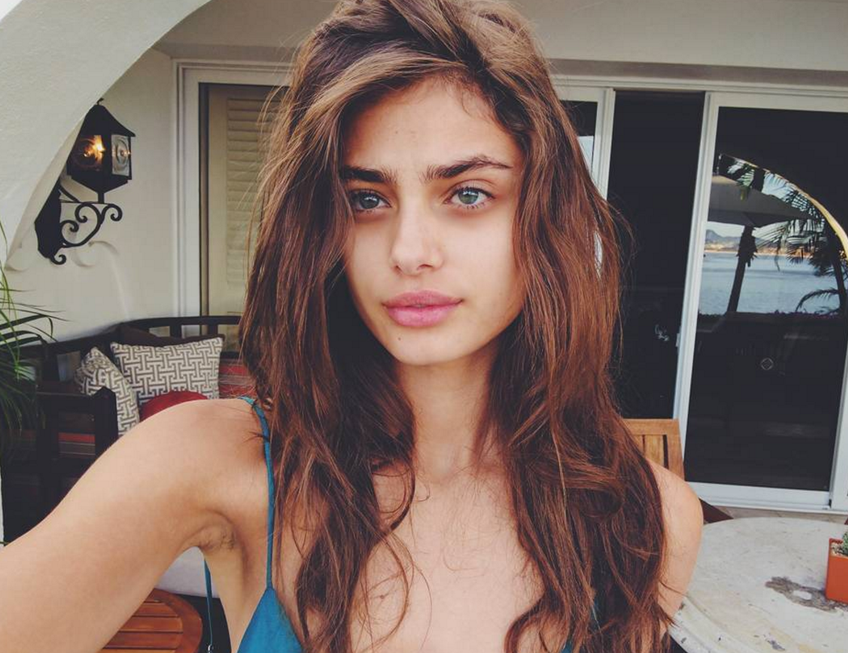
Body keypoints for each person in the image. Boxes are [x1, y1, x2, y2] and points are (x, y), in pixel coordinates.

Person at [0, 0, 702, 651]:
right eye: (366, 199)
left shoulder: (650, 520)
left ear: (545, 217)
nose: (408, 251)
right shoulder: (213, 462)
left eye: (467, 193)